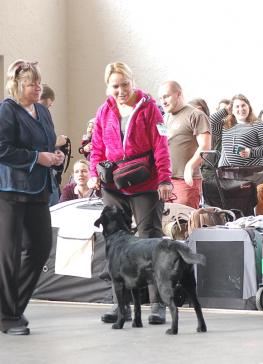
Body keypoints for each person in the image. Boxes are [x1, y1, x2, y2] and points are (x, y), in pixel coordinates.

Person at [88, 62, 173, 325]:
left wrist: (165, 178)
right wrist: (94, 173)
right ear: (108, 87)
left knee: (151, 240)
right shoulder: (105, 111)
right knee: (116, 246)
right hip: (113, 185)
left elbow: (161, 144)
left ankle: (157, 304)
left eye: (125, 84)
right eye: (115, 86)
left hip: (145, 183)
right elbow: (97, 147)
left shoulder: (150, 109)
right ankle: (120, 305)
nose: (121, 90)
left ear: (132, 81)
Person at [0, 60, 65, 335]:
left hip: (39, 190)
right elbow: (2, 149)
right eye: (32, 84)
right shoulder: (7, 110)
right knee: (9, 255)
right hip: (10, 192)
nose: (38, 88)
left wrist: (56, 157)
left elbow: (48, 144)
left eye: (39, 83)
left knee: (40, 248)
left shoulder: (42, 110)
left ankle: (13, 307)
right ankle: (8, 316)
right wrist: (37, 158)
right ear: (18, 85)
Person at [158, 81, 211, 209]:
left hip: (185, 181)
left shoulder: (196, 115)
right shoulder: (163, 119)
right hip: (165, 182)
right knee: (165, 225)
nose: (163, 101)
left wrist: (190, 166)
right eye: (160, 98)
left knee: (183, 224)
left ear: (179, 94)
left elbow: (205, 146)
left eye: (166, 96)